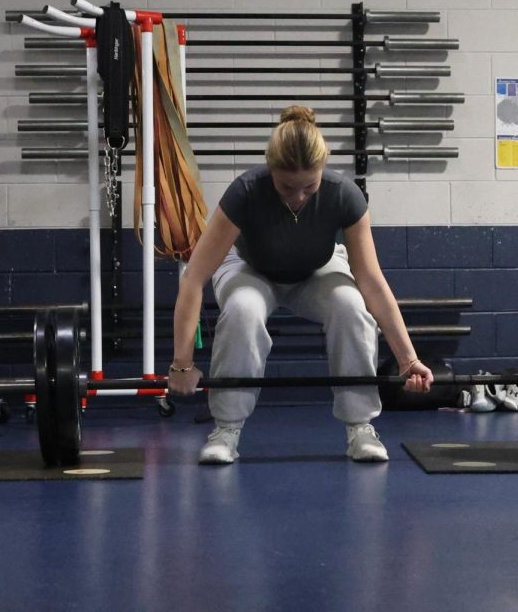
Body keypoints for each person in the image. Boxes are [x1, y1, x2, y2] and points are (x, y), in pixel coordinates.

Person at [167, 106, 435, 464]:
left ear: (323, 169)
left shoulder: (343, 194)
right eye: (286, 187)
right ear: (271, 170)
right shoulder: (246, 191)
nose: (298, 197)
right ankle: (226, 429)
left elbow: (371, 281)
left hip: (318, 269)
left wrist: (408, 359)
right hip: (250, 269)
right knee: (243, 310)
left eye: (310, 186)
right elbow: (194, 278)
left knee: (352, 306)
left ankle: (360, 427)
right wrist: (182, 364)